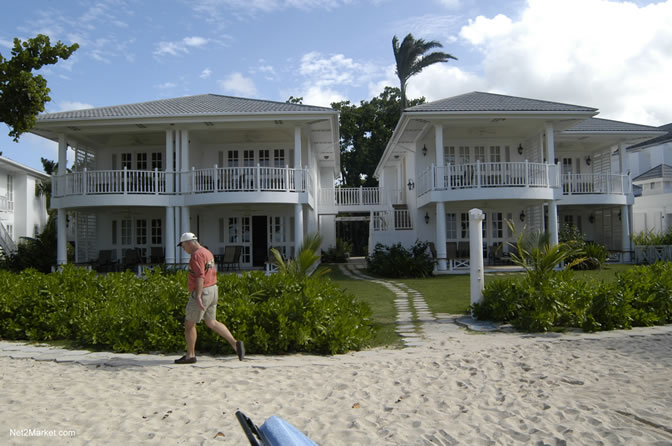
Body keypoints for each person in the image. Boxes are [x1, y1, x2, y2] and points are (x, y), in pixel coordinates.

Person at [174, 232, 244, 364]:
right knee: (211, 322)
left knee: (189, 324)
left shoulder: (196, 255)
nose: (184, 249)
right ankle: (235, 344)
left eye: (183, 246)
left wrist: (198, 296)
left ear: (189, 243)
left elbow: (200, 276)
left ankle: (190, 355)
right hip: (213, 289)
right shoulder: (207, 252)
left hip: (203, 291)